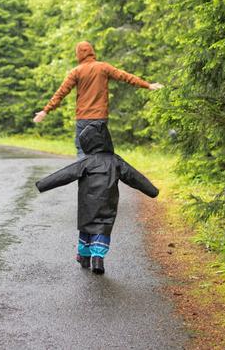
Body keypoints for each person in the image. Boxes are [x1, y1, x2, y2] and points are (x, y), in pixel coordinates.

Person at [35, 121, 158, 275]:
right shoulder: (116, 161)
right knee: (102, 229)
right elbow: (135, 177)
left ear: (89, 143)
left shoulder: (86, 162)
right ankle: (98, 258)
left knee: (86, 229)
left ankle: (84, 257)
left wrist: (42, 184)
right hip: (108, 203)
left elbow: (65, 174)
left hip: (87, 204)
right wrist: (152, 191)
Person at [33, 41, 163, 158]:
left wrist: (45, 111)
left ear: (78, 54)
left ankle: (85, 180)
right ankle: (100, 180)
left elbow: (61, 93)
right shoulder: (103, 67)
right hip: (100, 118)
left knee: (82, 150)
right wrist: (148, 85)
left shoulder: (76, 71)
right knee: (100, 151)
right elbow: (125, 76)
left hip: (83, 118)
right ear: (91, 52)